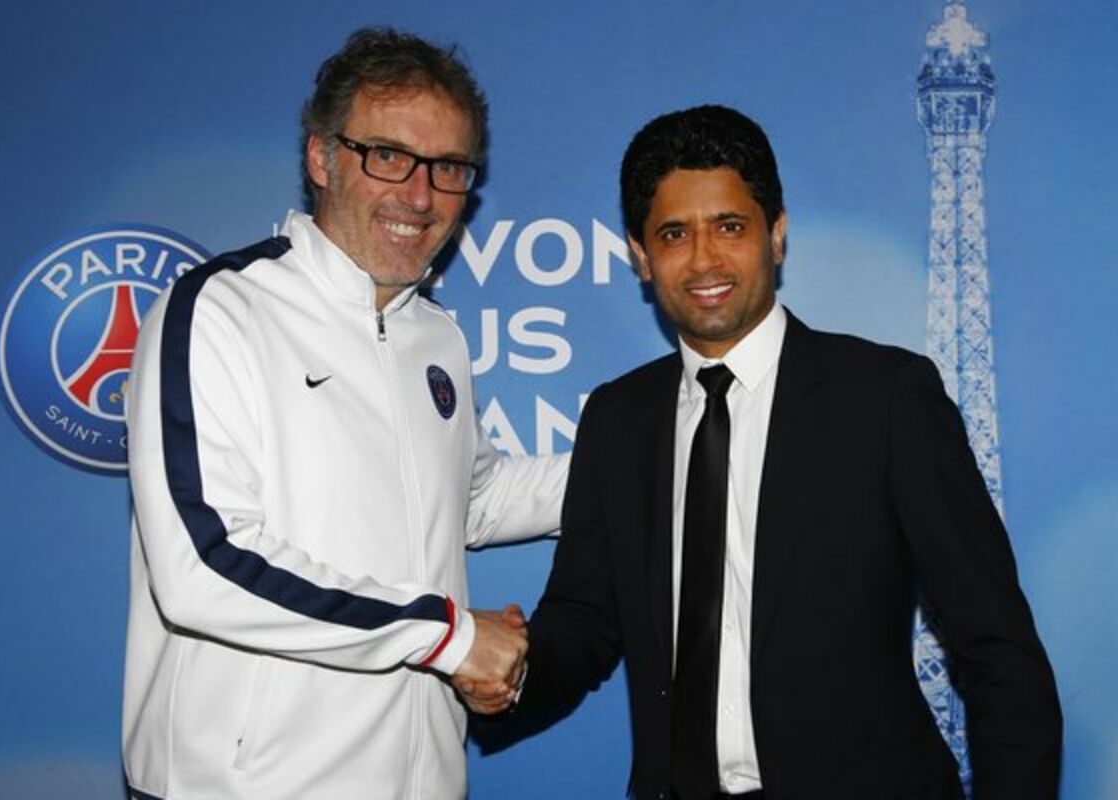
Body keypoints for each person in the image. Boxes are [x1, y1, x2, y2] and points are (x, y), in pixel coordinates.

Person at [461, 104, 1061, 799]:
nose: (704, 259)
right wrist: (513, 671)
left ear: (776, 234)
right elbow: (585, 620)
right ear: (640, 256)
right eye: (674, 233)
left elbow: (997, 649)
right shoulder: (618, 419)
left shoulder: (885, 399)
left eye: (730, 226)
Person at [122, 28, 567, 800]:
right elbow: (203, 567)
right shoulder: (220, 311)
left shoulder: (436, 335)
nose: (420, 196)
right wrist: (451, 637)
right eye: (388, 156)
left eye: (449, 167)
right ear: (321, 159)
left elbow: (474, 499)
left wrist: (653, 457)